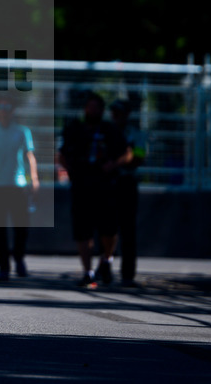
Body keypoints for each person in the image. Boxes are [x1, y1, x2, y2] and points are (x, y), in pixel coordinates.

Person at [58, 92, 128, 288]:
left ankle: (106, 259)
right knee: (83, 231)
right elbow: (62, 154)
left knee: (109, 229)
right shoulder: (75, 128)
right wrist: (70, 168)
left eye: (96, 107)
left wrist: (113, 165)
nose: (92, 111)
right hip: (82, 185)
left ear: (102, 110)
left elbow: (127, 153)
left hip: (105, 186)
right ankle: (88, 272)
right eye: (89, 107)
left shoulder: (110, 130)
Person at [0, 97, 39, 282]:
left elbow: (29, 156)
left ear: (12, 111)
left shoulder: (22, 132)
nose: (4, 110)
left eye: (7, 107)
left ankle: (19, 259)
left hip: (18, 185)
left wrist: (34, 178)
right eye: (1, 107)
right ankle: (3, 267)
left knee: (21, 226)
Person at [110, 99, 145, 287]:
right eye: (114, 112)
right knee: (107, 227)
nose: (115, 116)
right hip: (108, 182)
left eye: (119, 112)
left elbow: (137, 158)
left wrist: (119, 162)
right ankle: (103, 267)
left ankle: (128, 274)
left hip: (127, 183)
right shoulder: (106, 132)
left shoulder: (136, 135)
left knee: (128, 229)